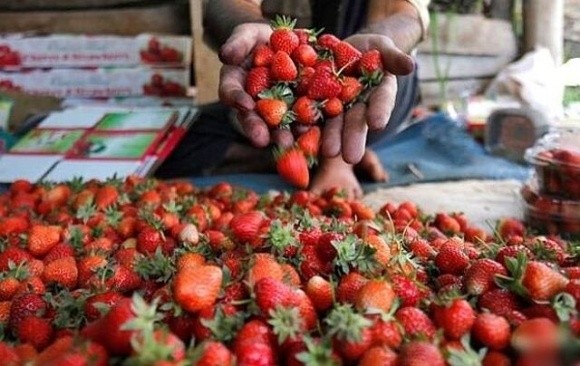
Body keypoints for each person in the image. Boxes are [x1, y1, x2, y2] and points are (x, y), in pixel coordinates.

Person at [157, 0, 430, 199]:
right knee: (168, 142)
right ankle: (298, 160)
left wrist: (382, 42)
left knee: (389, 73)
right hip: (283, 102)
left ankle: (334, 159)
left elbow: (405, 14)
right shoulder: (281, 68)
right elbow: (222, 5)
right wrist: (252, 27)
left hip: (365, 94)